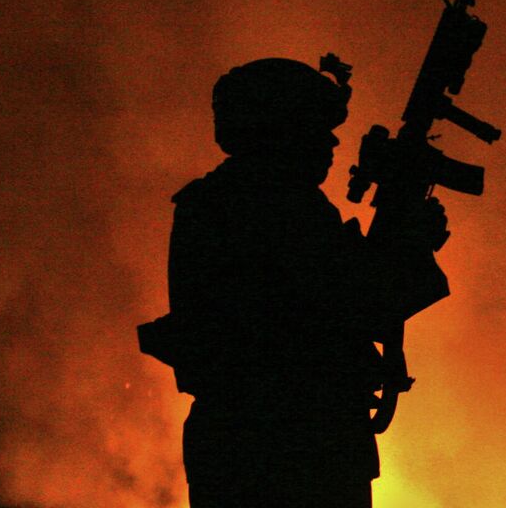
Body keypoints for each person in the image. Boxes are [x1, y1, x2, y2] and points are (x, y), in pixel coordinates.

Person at [159, 57, 448, 508]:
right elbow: (355, 306)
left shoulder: (221, 201)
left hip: (253, 447)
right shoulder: (275, 207)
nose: (331, 141)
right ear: (281, 129)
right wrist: (413, 244)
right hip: (292, 450)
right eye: (316, 127)